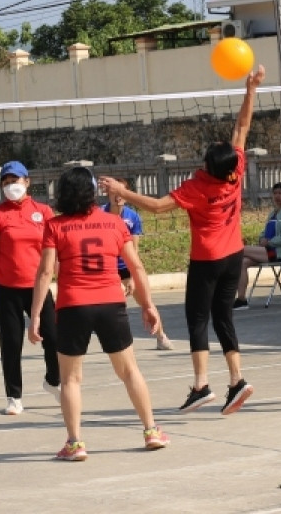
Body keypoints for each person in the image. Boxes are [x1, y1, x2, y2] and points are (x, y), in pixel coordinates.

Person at [101, 65, 266, 415]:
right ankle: (236, 380)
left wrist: (122, 192)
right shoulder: (235, 170)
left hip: (207, 260)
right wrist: (251, 89)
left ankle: (201, 385)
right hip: (233, 256)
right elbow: (242, 127)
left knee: (198, 319)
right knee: (224, 317)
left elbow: (158, 206)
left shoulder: (198, 186)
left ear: (208, 166)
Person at [28, 167, 170, 460]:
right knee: (129, 371)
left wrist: (37, 314)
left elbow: (44, 273)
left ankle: (75, 443)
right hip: (110, 303)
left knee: (70, 379)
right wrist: (148, 305)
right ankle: (151, 431)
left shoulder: (55, 226)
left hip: (73, 305)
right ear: (92, 192)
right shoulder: (114, 223)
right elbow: (136, 266)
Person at [0, 161, 61, 416]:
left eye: (15, 181)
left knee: (53, 337)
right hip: (7, 287)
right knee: (11, 343)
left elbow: (56, 250)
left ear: (27, 181)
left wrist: (62, 277)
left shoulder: (43, 212)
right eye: (6, 182)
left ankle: (54, 380)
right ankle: (14, 396)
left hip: (38, 286)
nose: (10, 185)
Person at [104, 191, 174, 350]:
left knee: (146, 302)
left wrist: (132, 276)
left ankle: (161, 337)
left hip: (126, 267)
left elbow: (134, 249)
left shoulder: (133, 216)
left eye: (121, 193)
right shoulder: (101, 214)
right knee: (108, 306)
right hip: (108, 268)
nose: (118, 197)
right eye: (114, 193)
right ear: (108, 194)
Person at [235, 182, 281, 309]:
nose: (277, 196)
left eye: (280, 193)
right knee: (242, 262)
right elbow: (264, 232)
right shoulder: (273, 213)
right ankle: (241, 299)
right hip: (266, 250)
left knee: (240, 250)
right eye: (275, 193)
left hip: (278, 252)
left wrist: (269, 242)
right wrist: (262, 239)